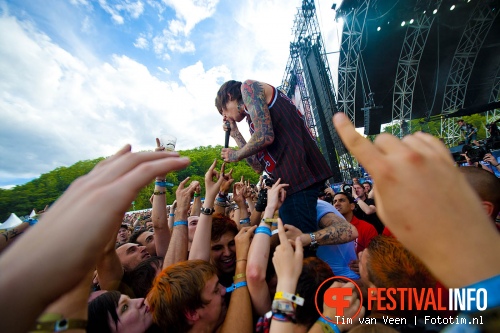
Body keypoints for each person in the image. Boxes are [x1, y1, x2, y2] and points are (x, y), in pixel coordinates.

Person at [215, 80, 332, 237]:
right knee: (292, 242)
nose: (225, 117)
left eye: (223, 111)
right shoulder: (252, 118)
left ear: (228, 96)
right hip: (287, 186)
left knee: (298, 247)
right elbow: (257, 166)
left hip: (298, 178)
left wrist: (235, 154)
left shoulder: (249, 87)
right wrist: (235, 132)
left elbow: (265, 135)